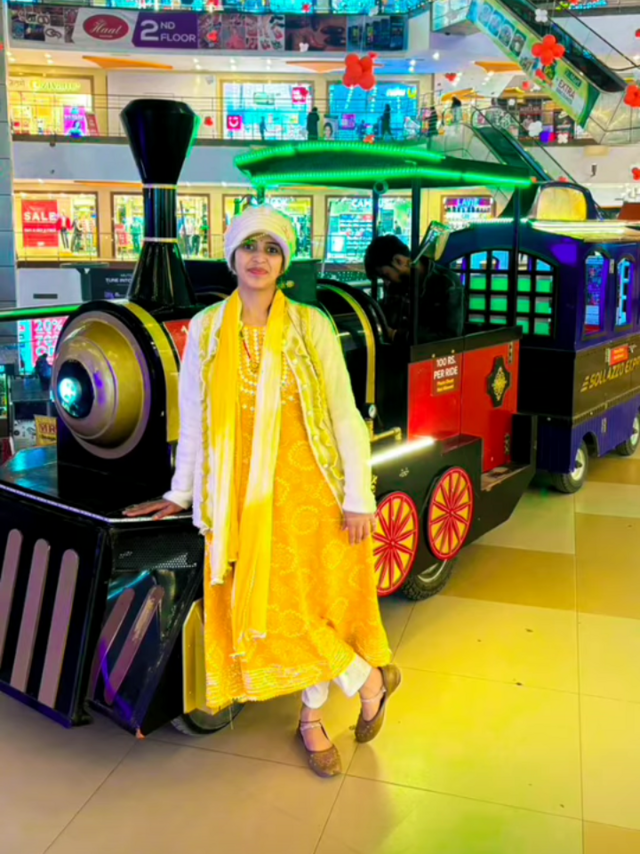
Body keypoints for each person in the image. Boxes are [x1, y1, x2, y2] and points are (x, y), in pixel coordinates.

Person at [125, 205, 398, 778]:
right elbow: (194, 422)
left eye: (272, 249)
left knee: (314, 609)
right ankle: (370, 681)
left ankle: (311, 719)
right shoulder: (206, 329)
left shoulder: (310, 324)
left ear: (284, 262)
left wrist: (358, 496)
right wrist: (181, 493)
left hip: (312, 495)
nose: (259, 258)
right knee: (279, 615)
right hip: (237, 506)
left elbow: (344, 413)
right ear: (232, 256)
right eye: (250, 246)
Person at [364, 233, 465, 341]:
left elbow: (450, 334)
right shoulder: (396, 285)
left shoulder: (447, 283)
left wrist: (396, 335)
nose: (386, 282)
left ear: (399, 261)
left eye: (386, 275)